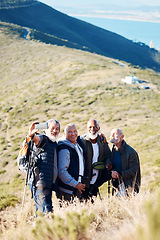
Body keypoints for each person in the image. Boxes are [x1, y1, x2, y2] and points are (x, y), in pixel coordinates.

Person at [23, 119, 60, 213]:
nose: (54, 131)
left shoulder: (54, 143)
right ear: (46, 129)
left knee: (44, 211)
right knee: (45, 211)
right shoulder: (44, 139)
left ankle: (40, 227)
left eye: (57, 129)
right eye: (52, 128)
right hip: (39, 183)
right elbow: (36, 139)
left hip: (47, 184)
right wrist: (31, 135)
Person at [82, 119, 112, 199]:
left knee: (92, 204)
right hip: (84, 181)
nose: (92, 129)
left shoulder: (102, 141)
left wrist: (108, 162)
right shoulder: (82, 141)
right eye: (90, 127)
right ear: (87, 128)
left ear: (99, 128)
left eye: (95, 127)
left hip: (96, 180)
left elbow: (108, 155)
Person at [57, 123, 87, 202]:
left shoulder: (77, 144)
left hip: (76, 188)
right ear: (64, 134)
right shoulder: (64, 149)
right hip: (67, 191)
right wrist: (76, 184)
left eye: (75, 131)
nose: (73, 134)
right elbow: (62, 172)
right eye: (70, 132)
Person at [110, 128, 141, 196]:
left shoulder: (131, 152)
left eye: (115, 134)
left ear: (122, 137)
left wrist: (119, 175)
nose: (112, 136)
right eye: (111, 134)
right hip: (116, 185)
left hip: (128, 186)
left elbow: (133, 171)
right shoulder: (112, 151)